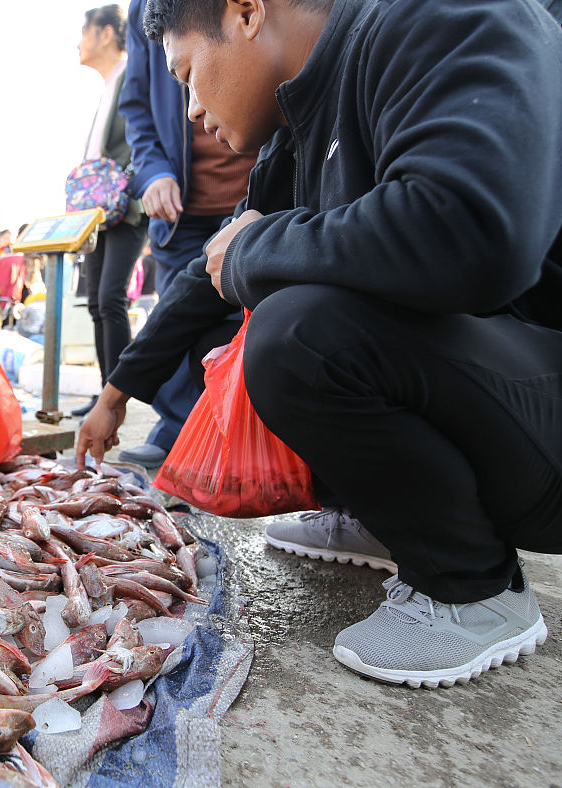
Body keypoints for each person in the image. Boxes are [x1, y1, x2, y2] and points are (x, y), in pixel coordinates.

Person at [78, 0, 562, 689]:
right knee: (251, 315)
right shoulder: (296, 131)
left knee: (296, 332)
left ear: (245, 11)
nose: (189, 109)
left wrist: (256, 252)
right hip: (501, 399)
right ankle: (382, 515)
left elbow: (475, 229)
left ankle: (470, 584)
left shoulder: (445, 19)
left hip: (545, 419)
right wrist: (114, 397)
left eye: (189, 73)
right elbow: (204, 273)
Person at [104, 0, 256, 465]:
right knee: (180, 313)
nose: (194, 109)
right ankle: (181, 434)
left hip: (261, 195)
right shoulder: (144, 11)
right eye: (181, 80)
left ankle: (250, 442)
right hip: (182, 210)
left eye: (189, 75)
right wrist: (151, 172)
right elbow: (137, 106)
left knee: (266, 327)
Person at [68, 5, 151, 419]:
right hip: (96, 214)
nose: (77, 42)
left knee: (110, 297)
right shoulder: (107, 86)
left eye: (82, 32)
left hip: (126, 207)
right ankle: (105, 392)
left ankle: (115, 398)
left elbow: (145, 136)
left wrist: (128, 183)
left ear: (104, 33)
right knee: (97, 303)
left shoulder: (134, 72)